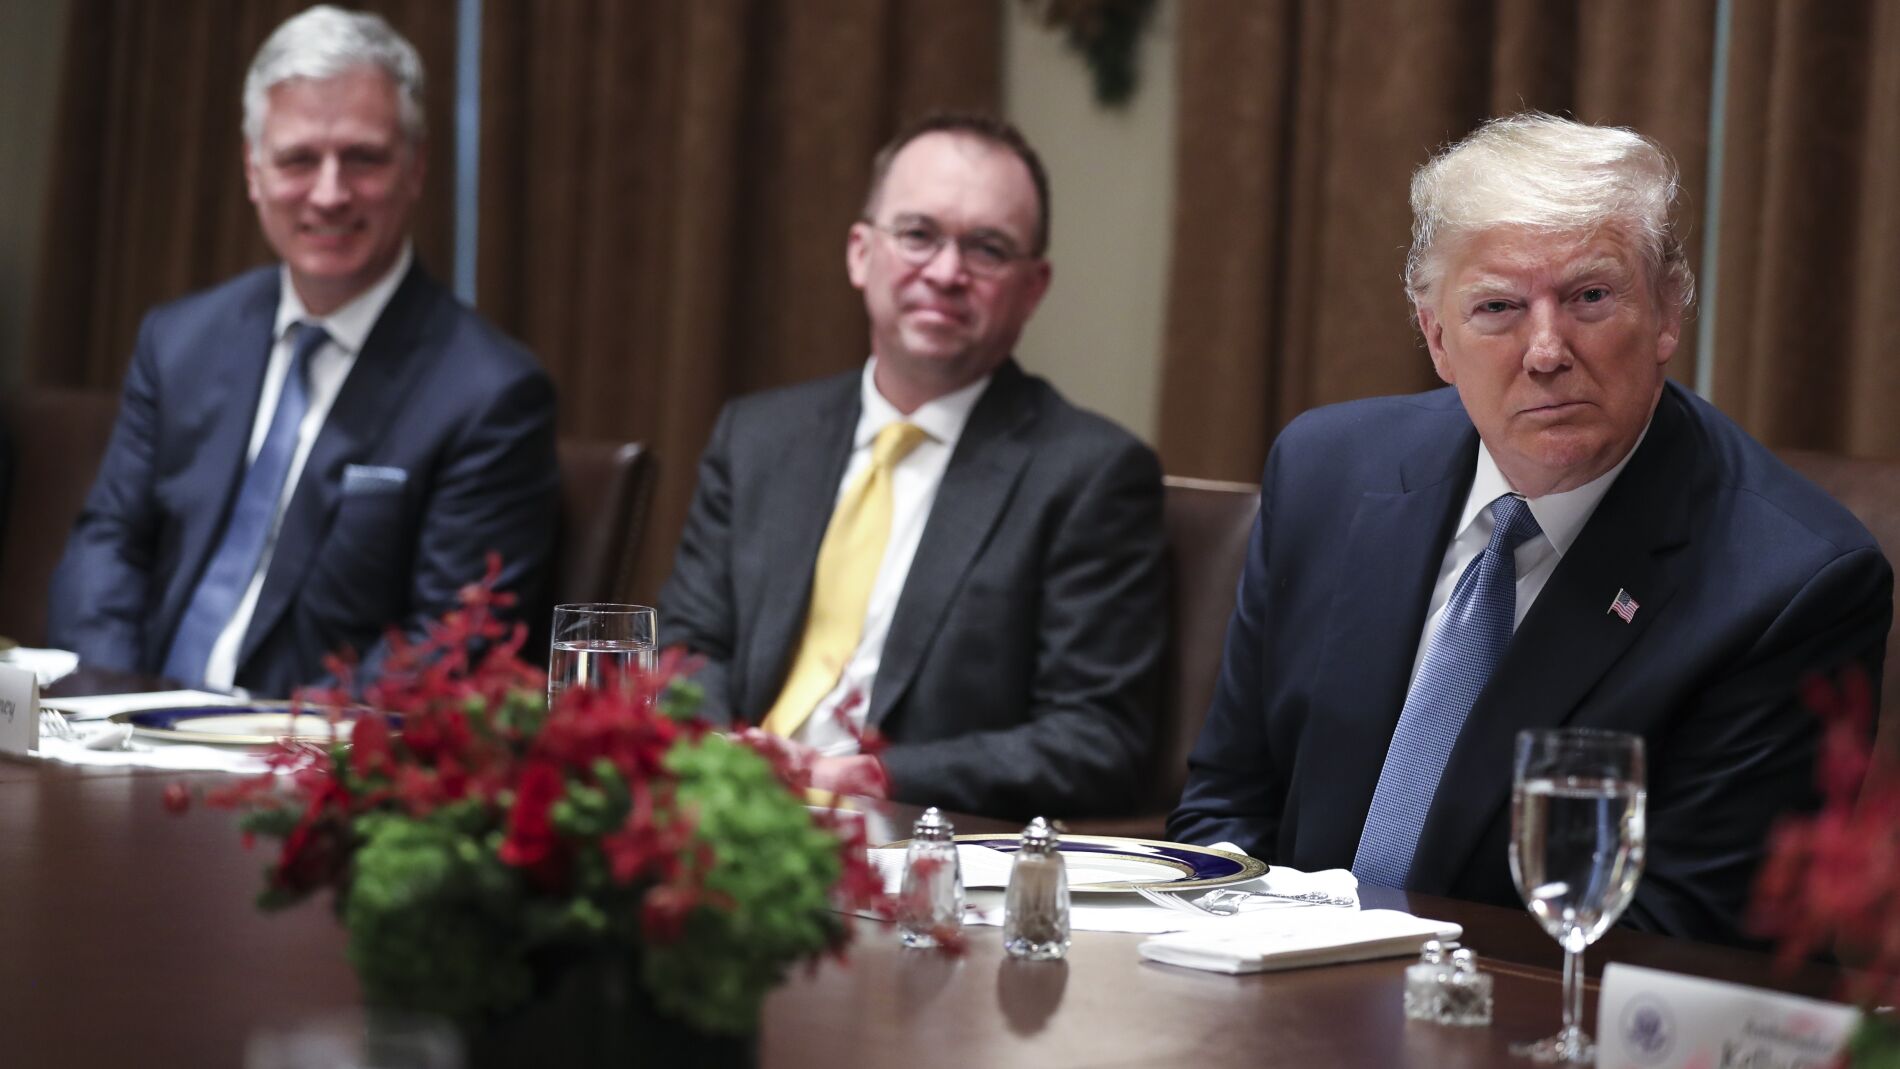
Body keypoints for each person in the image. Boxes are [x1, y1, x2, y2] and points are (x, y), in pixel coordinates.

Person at [1169, 113, 1892, 946]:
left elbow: (1680, 937)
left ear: (1667, 312)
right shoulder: (1325, 473)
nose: (1546, 350)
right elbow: (1228, 803)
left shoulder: (1789, 585)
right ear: (1437, 337)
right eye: (1498, 307)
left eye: (1590, 297)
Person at [659, 113, 1167, 820]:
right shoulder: (759, 437)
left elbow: (1095, 740)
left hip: (908, 844)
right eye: (919, 234)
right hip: (719, 818)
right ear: (860, 253)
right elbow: (686, 647)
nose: (947, 272)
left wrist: (873, 776)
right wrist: (719, 757)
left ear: (1034, 287)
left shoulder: (1088, 475)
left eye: (987, 248)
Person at [48, 6, 558, 698]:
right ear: (253, 169)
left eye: (363, 158)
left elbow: (448, 645)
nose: (329, 193)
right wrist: (115, 706)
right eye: (298, 159)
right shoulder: (180, 341)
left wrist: (251, 739)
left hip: (304, 751)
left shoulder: (490, 394)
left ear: (416, 168)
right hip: (127, 733)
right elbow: (107, 546)